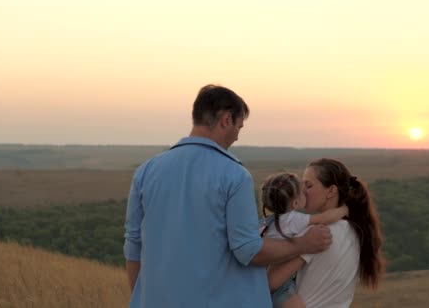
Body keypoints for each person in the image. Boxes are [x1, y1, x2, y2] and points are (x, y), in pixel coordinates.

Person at [123, 85, 332, 308]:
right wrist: (302, 244)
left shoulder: (146, 171)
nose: (238, 136)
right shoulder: (234, 175)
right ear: (226, 119)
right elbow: (248, 251)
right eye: (239, 126)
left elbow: (134, 244)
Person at [267, 158, 385, 308]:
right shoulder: (355, 231)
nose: (302, 191)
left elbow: (271, 282)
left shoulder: (317, 234)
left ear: (331, 191)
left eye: (308, 186)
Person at [259, 172, 349, 308]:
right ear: (295, 203)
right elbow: (324, 218)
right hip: (281, 284)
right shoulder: (294, 220)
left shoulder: (265, 223)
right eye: (302, 192)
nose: (306, 193)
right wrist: (344, 210)